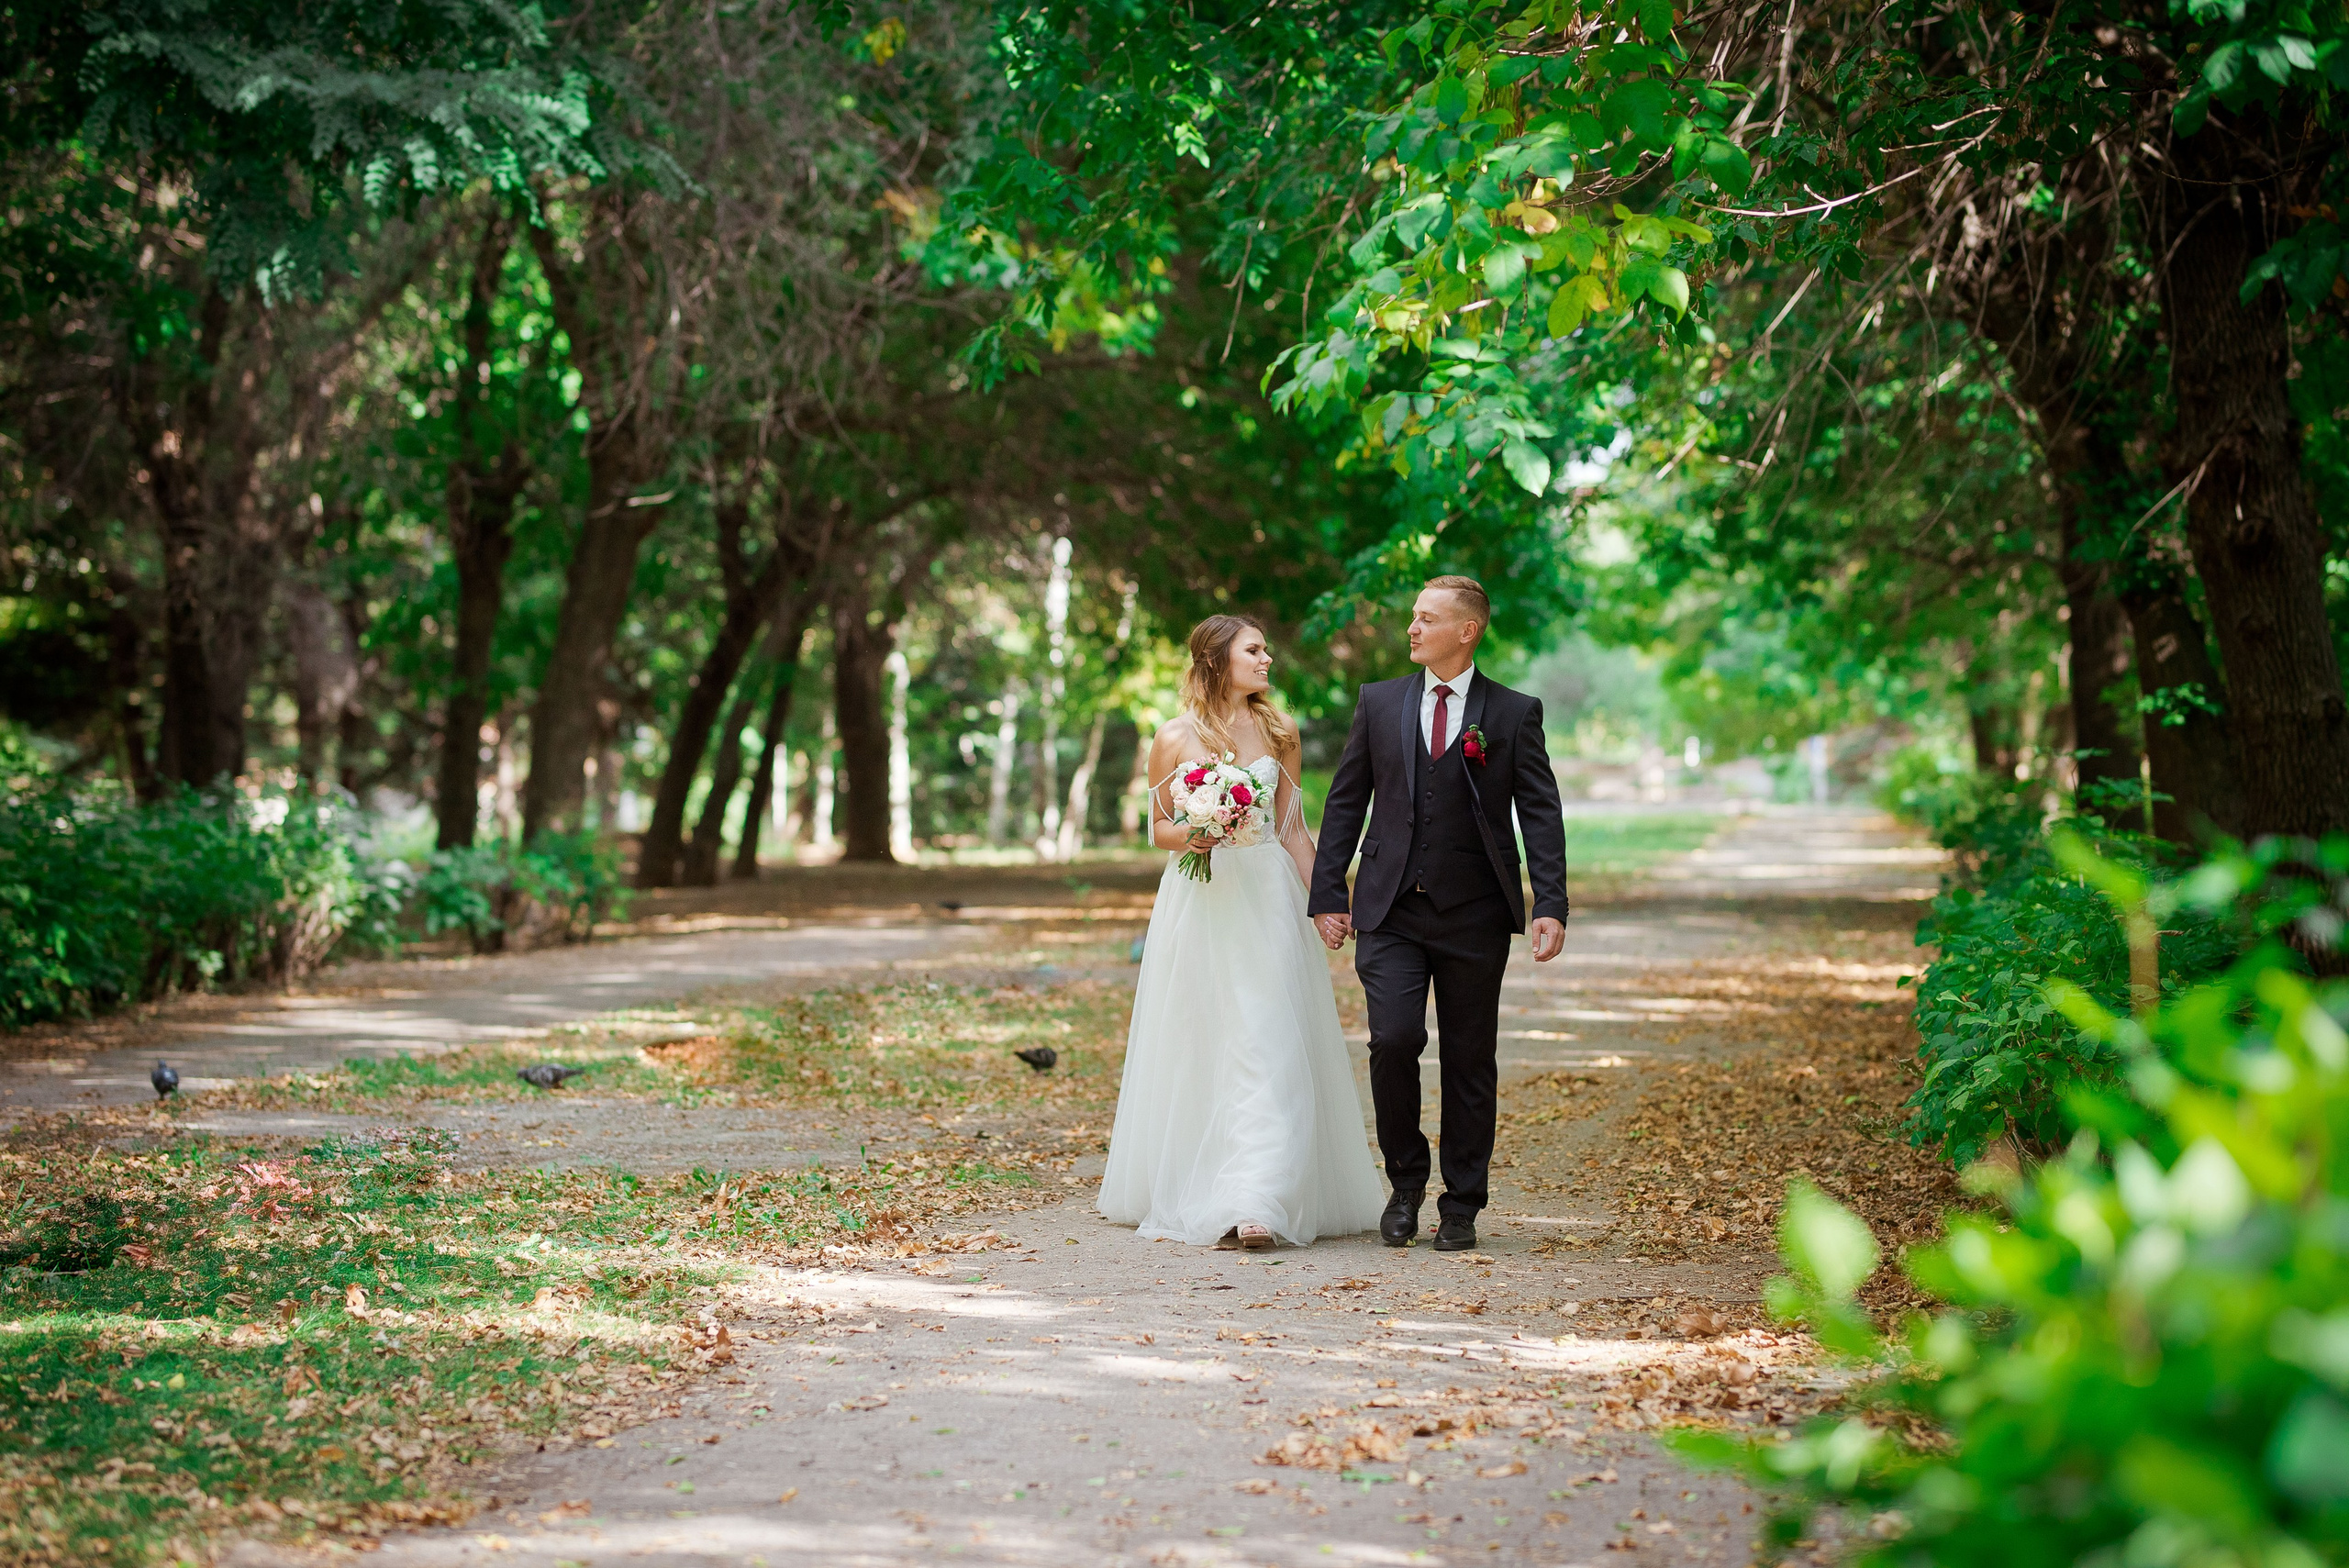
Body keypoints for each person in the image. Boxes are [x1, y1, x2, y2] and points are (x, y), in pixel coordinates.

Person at [1098, 615, 1386, 1251]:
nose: (1267, 659)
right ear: (1216, 659)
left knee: (1267, 1038)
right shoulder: (1173, 737)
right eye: (1254, 650)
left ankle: (1259, 1199)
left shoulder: (1280, 731)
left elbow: (1290, 828)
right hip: (1199, 902)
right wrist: (1199, 831)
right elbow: (1160, 829)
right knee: (1207, 1040)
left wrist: (1326, 900)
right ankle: (1206, 1183)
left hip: (1264, 895)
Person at [1307, 576, 1570, 1253]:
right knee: (1393, 1040)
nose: (1412, 629)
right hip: (1390, 906)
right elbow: (1345, 801)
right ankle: (1404, 1184)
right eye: (1413, 618)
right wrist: (1329, 893)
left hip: (1475, 913)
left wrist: (1551, 902)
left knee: (1469, 1058)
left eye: (1427, 619)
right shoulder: (1380, 701)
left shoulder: (1513, 713)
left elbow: (1539, 811)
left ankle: (1462, 1203)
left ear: (1467, 630)